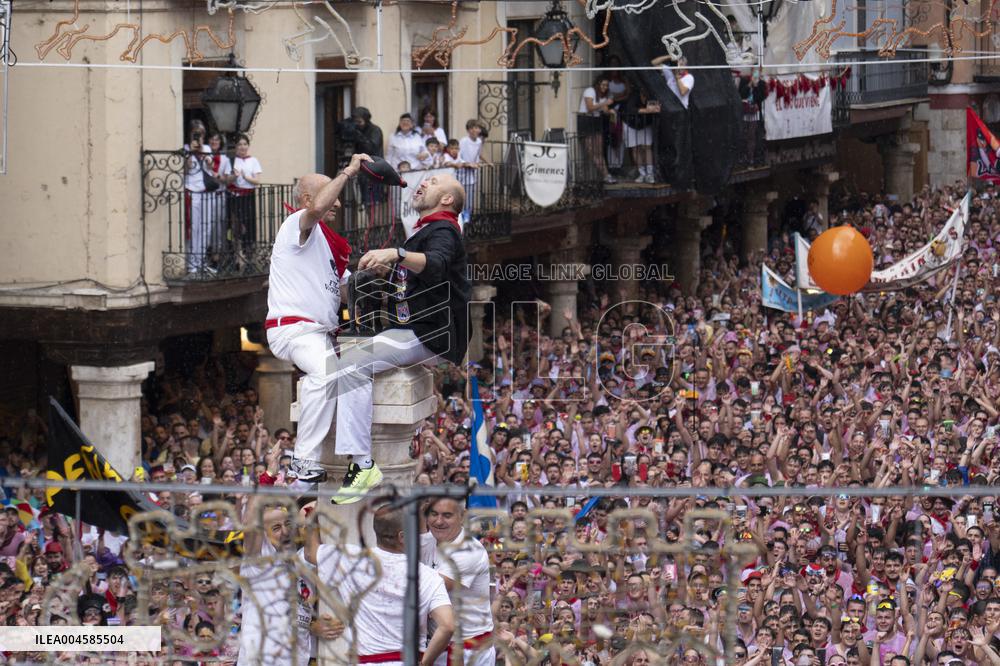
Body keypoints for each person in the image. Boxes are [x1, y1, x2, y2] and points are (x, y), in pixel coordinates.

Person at [329, 171, 471, 504]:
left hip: (429, 334)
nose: (423, 183)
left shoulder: (445, 229)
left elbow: (435, 264)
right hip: (419, 331)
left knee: (350, 364)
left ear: (447, 199)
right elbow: (415, 282)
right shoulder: (428, 230)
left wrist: (396, 254)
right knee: (351, 357)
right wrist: (389, 270)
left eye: (434, 182)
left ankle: (362, 464)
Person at [264, 152, 372, 487]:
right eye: (332, 197)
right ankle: (302, 462)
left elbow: (344, 291)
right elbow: (315, 211)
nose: (337, 205)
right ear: (309, 199)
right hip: (294, 329)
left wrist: (379, 270)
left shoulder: (328, 244)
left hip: (319, 333)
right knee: (326, 373)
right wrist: (349, 172)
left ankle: (341, 462)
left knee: (345, 376)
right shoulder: (293, 227)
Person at [305, 501, 455, 665]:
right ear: (402, 536)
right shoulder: (427, 576)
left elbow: (310, 553)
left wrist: (312, 519)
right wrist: (425, 662)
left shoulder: (351, 560)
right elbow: (447, 626)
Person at [420, 497, 494, 666]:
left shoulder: (469, 550)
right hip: (440, 644)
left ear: (462, 516)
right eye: (433, 514)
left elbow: (431, 590)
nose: (439, 521)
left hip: (468, 651)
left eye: (447, 515)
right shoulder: (427, 541)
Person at [578, 77, 616, 184]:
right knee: (592, 151)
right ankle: (605, 175)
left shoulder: (603, 97)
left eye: (606, 85)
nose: (605, 87)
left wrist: (611, 111)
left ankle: (606, 175)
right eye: (603, 85)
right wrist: (604, 103)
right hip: (586, 120)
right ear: (598, 84)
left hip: (596, 121)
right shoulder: (590, 91)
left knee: (598, 152)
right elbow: (590, 107)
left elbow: (605, 110)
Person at [229, 134, 263, 249]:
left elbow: (257, 180)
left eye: (245, 144)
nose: (242, 147)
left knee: (248, 224)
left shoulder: (253, 160)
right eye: (239, 144)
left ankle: (249, 252)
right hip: (235, 196)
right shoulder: (231, 160)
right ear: (236, 146)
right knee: (236, 226)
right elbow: (226, 179)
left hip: (248, 196)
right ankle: (236, 254)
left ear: (248, 146)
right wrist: (234, 176)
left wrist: (245, 177)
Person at [205, 132, 233, 268]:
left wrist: (216, 175)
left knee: (217, 226)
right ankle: (204, 254)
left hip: (218, 196)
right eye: (212, 139)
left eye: (217, 140)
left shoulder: (225, 159)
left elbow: (227, 180)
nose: (214, 141)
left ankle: (216, 258)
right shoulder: (203, 155)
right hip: (204, 196)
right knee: (205, 226)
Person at [623, 86, 660, 184]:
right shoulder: (634, 96)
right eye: (643, 94)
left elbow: (657, 108)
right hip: (631, 124)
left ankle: (650, 173)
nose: (645, 96)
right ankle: (642, 173)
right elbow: (630, 109)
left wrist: (655, 109)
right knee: (635, 148)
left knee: (646, 147)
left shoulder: (653, 96)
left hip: (645, 124)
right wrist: (646, 110)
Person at [457, 119, 484, 220]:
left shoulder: (479, 141)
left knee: (469, 199)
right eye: (472, 128)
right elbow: (459, 157)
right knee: (460, 198)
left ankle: (467, 220)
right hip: (461, 174)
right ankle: (459, 219)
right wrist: (467, 164)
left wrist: (476, 164)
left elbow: (477, 156)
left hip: (471, 175)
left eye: (477, 128)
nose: (475, 130)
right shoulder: (464, 141)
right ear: (469, 130)